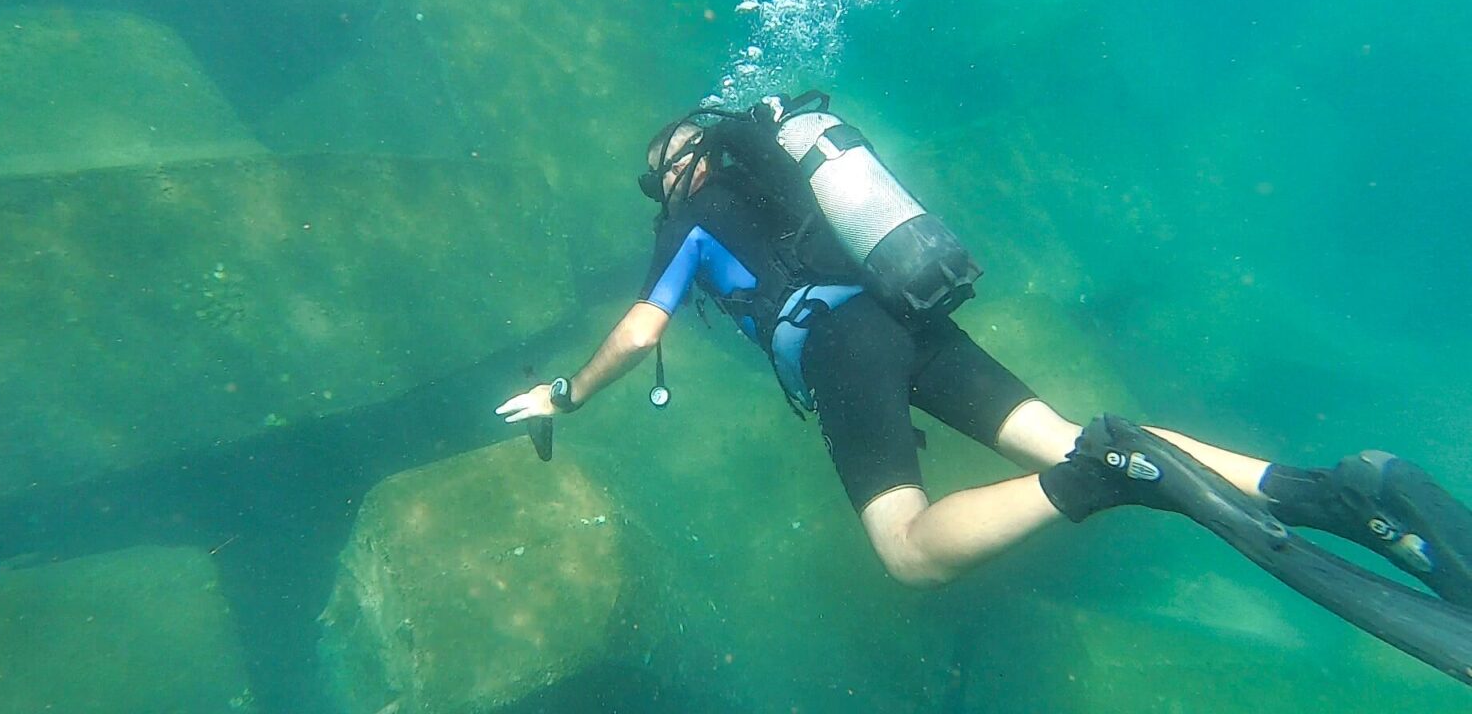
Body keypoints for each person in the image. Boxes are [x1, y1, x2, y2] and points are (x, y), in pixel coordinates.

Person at [496, 93, 1472, 680]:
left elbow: (640, 327)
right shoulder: (788, 181)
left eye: (655, 179)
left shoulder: (692, 214)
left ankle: (1104, 477)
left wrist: (564, 396)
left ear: (677, 167)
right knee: (1059, 435)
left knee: (912, 554)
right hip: (912, 318)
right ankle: (1329, 492)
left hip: (842, 353)